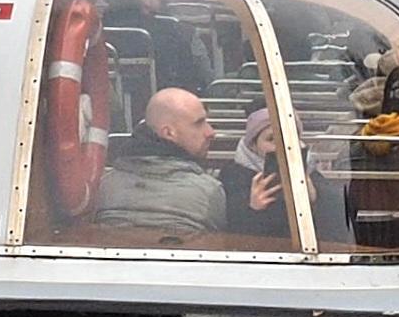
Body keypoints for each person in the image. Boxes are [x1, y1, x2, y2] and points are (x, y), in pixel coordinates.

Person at [88, 86, 269, 240]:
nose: (211, 132)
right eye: (199, 123)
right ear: (169, 133)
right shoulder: (212, 193)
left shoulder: (103, 187)